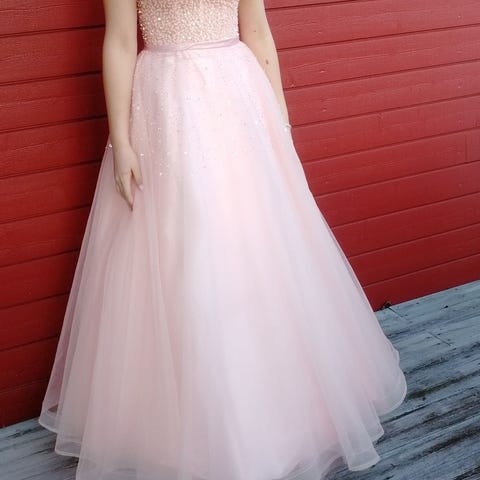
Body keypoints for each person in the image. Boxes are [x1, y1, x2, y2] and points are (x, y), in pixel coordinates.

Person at [38, 1, 408, 479]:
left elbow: (258, 31)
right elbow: (121, 42)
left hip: (238, 102)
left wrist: (281, 120)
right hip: (168, 105)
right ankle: (189, 430)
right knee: (185, 247)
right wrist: (121, 140)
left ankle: (279, 418)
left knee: (252, 244)